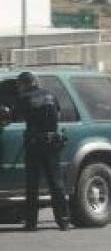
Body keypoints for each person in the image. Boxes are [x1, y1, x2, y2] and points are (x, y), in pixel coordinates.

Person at [14, 72, 70, 231]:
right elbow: (57, 114)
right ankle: (64, 221)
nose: (19, 88)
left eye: (20, 85)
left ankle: (31, 223)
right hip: (52, 142)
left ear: (25, 84)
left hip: (35, 144)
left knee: (32, 185)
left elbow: (17, 116)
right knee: (56, 184)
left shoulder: (25, 98)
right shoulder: (51, 95)